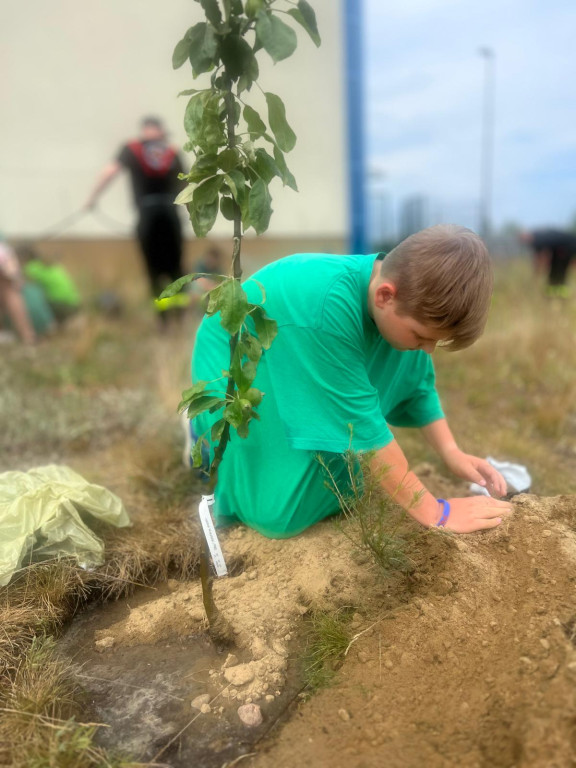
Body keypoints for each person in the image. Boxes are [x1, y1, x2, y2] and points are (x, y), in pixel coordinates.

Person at [191, 225, 513, 538]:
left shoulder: (405, 302)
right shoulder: (329, 307)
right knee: (280, 514)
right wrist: (437, 512)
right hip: (237, 355)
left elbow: (417, 386)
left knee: (350, 483)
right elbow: (362, 425)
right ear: (386, 296)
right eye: (422, 337)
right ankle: (202, 435)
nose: (428, 350)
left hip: (296, 344)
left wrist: (451, 452)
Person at [86, 117, 186, 316]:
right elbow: (188, 185)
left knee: (153, 269)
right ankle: (179, 316)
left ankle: (163, 318)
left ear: (144, 130)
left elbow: (110, 171)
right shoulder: (172, 152)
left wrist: (92, 198)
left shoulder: (132, 149)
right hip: (170, 213)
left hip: (147, 216)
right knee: (176, 267)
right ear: (161, 131)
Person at [16, 244, 82, 323]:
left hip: (60, 304)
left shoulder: (31, 268)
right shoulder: (49, 264)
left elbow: (18, 282)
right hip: (74, 303)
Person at [520, 228, 576, 298]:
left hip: (564, 251)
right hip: (559, 252)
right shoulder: (539, 237)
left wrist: (536, 273)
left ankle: (560, 296)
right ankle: (553, 296)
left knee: (559, 274)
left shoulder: (537, 240)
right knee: (554, 274)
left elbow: (539, 258)